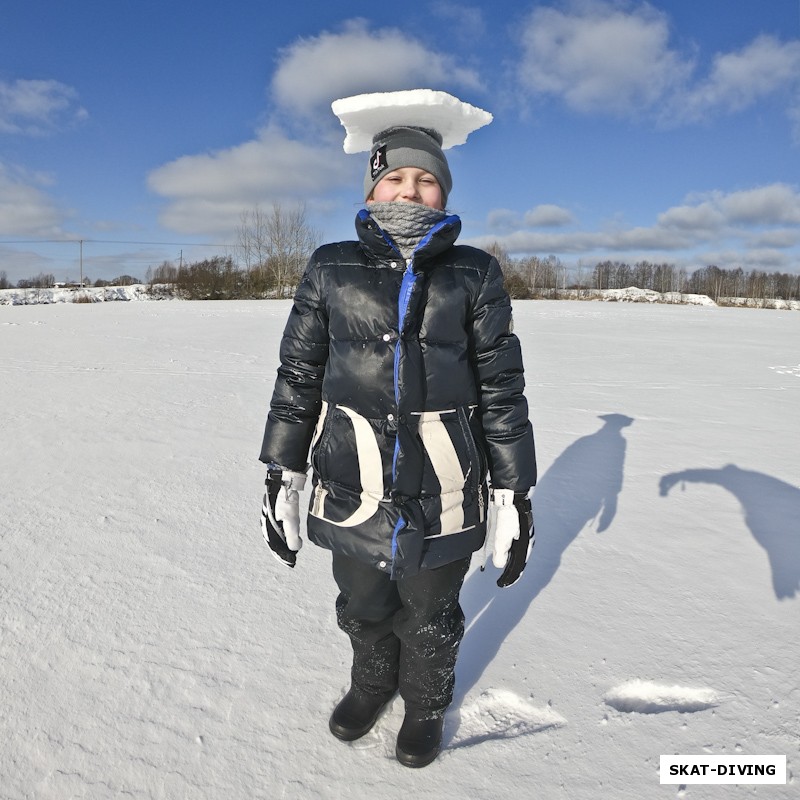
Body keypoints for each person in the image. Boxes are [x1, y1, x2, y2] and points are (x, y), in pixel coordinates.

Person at [259, 94, 536, 768]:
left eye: (426, 177)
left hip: (444, 484)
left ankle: (425, 704)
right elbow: (298, 375)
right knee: (361, 601)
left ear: (444, 190)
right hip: (351, 480)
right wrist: (280, 472)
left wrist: (514, 494)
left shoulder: (473, 272)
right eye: (396, 176)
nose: (410, 188)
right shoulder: (330, 266)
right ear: (372, 183)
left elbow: (501, 387)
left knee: (432, 615)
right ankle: (371, 683)